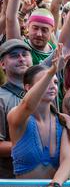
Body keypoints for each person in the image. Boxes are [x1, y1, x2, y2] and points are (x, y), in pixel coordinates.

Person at [8, 44, 70, 187]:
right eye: (45, 82)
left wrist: (55, 185)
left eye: (55, 82)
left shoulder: (64, 119)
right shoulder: (17, 116)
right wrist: (51, 71)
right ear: (28, 88)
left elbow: (67, 161)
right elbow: (27, 105)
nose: (52, 85)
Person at [0, 40, 33, 179]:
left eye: (25, 54)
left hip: (44, 181)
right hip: (12, 183)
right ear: (2, 64)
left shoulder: (47, 91)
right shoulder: (1, 98)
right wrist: (34, 147)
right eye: (14, 56)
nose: (21, 59)